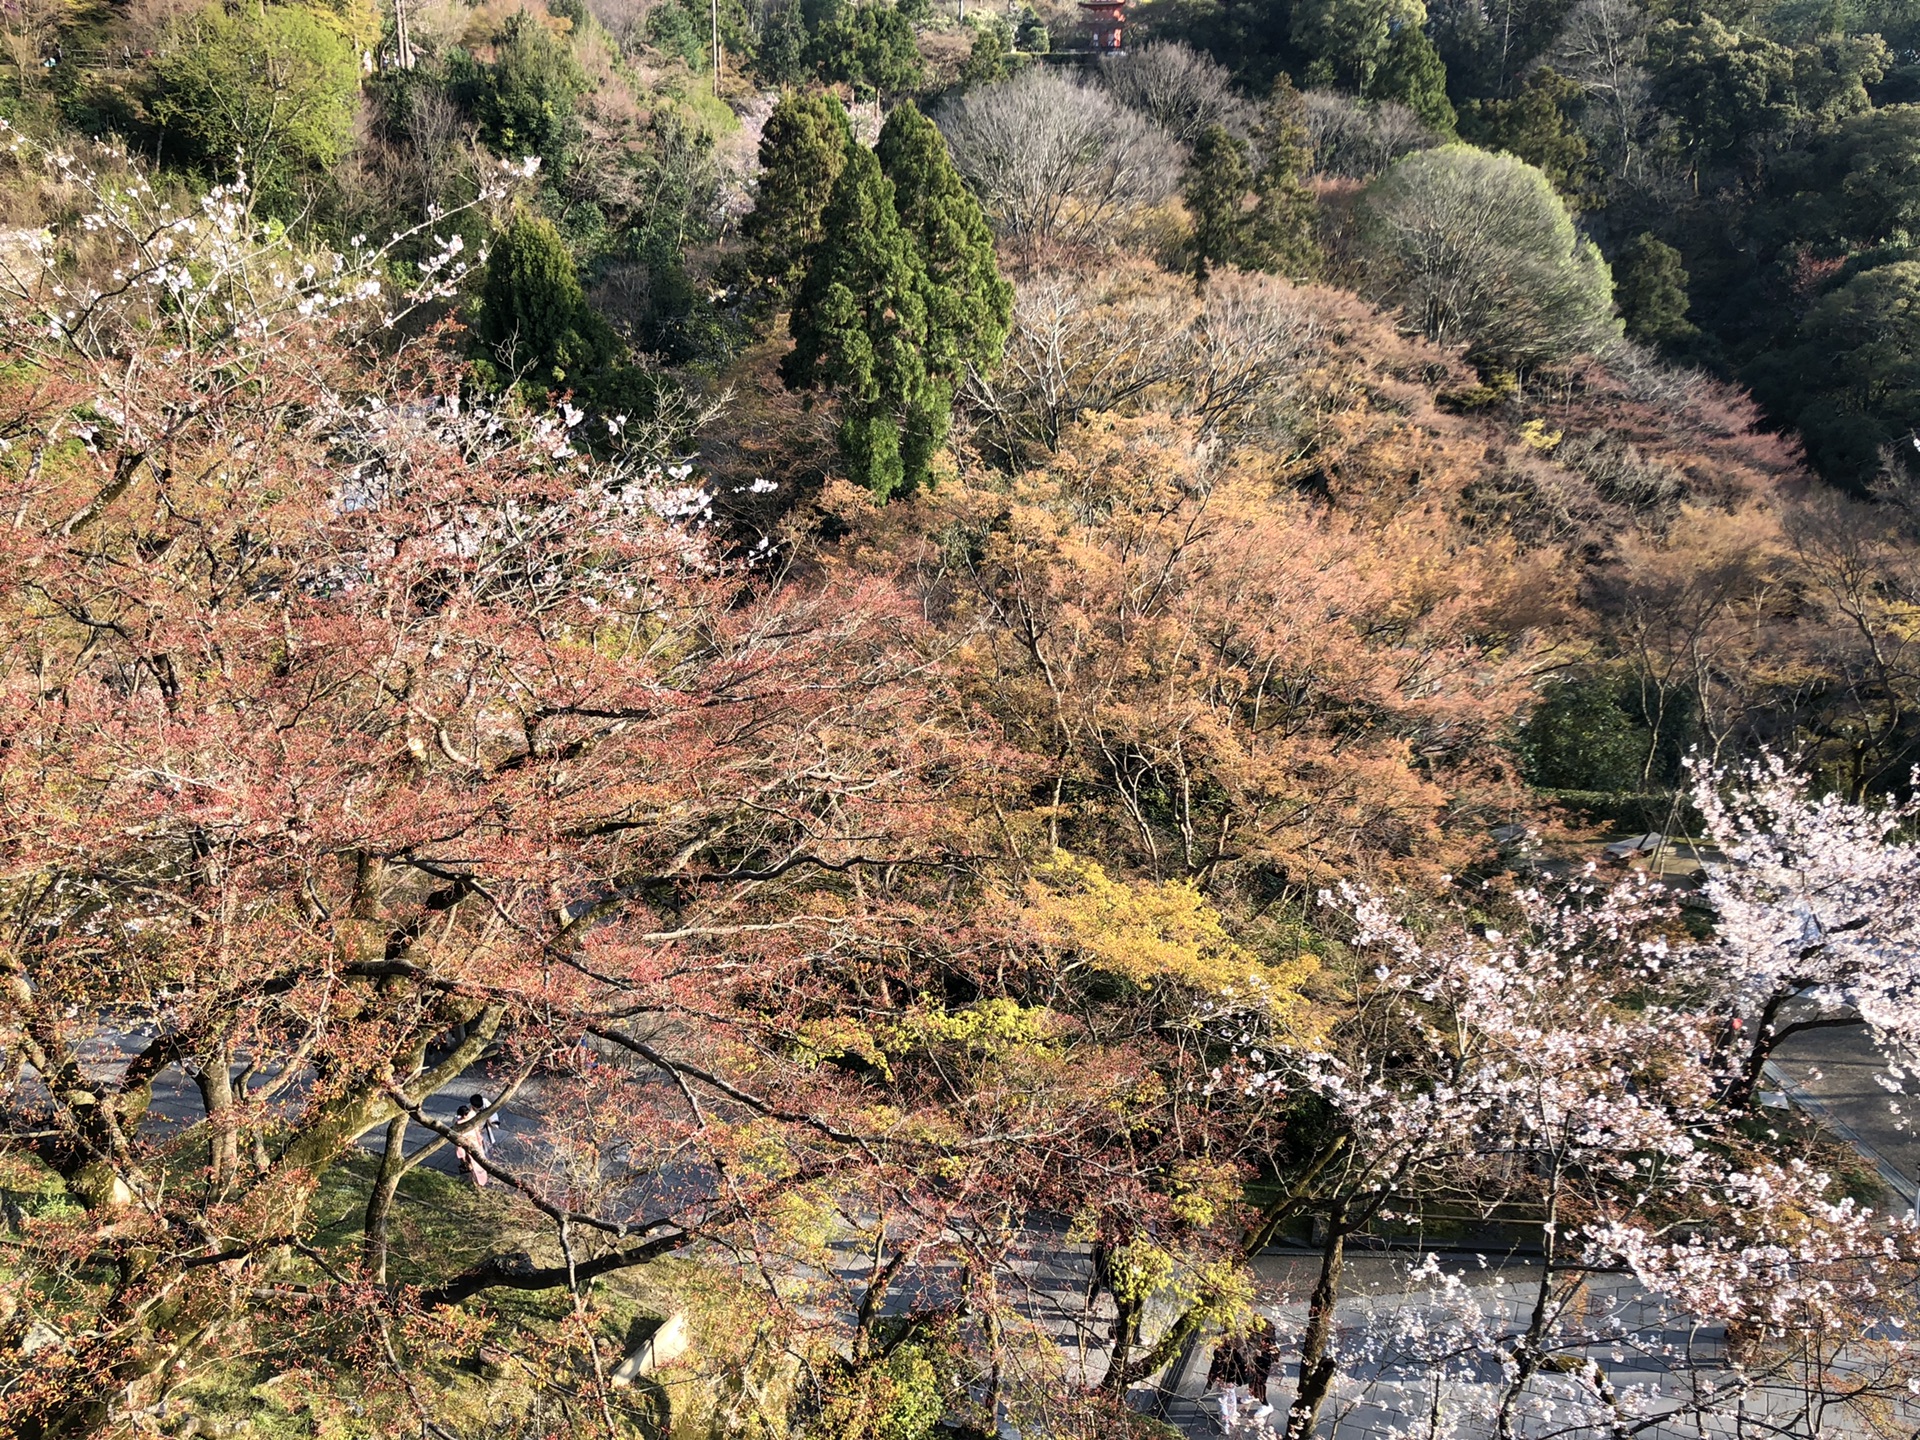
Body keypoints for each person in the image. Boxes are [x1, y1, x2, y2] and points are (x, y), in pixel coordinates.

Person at [451, 1104, 489, 1188]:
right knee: (473, 1163)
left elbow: (476, 1130)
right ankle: (475, 1180)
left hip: (474, 1143)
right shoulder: (460, 1123)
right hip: (469, 1145)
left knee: (477, 1163)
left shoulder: (463, 1120)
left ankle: (476, 1180)